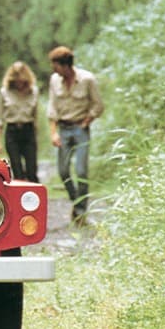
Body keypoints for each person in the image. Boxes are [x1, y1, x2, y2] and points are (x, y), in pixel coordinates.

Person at [47, 46, 104, 225]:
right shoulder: (54, 80)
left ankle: (80, 212)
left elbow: (98, 105)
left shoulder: (87, 79)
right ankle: (76, 200)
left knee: (81, 171)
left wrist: (87, 122)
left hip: (80, 128)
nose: (54, 70)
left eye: (56, 66)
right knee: (63, 171)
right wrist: (53, 132)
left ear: (65, 66)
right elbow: (52, 107)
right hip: (63, 128)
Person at [0, 61, 39, 182]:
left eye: (22, 80)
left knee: (32, 170)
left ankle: (36, 197)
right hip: (12, 132)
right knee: (17, 169)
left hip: (28, 131)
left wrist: (35, 135)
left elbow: (35, 116)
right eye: (16, 80)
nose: (19, 83)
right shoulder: (5, 92)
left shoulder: (33, 92)